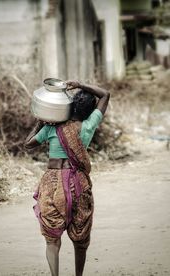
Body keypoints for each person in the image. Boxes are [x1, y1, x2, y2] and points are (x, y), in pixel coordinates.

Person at [25, 80, 110, 276]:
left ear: (69, 106)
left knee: (52, 238)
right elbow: (105, 95)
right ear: (90, 111)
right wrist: (80, 84)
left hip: (53, 184)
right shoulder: (88, 125)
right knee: (80, 237)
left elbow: (28, 144)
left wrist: (40, 121)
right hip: (77, 184)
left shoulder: (53, 127)